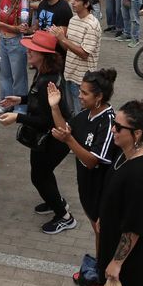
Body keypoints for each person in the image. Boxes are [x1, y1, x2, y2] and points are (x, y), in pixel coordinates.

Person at [0, 30, 76, 235]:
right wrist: (20, 100)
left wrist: (17, 117)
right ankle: (54, 201)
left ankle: (64, 217)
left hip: (53, 140)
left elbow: (44, 121)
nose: (28, 52)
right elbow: (38, 102)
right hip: (47, 139)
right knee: (42, 174)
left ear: (44, 55)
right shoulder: (43, 73)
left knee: (39, 177)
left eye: (33, 50)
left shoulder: (47, 80)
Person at [95, 96, 143, 286]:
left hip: (133, 259)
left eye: (118, 126)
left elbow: (134, 226)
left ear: (137, 134)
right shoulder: (124, 154)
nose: (113, 129)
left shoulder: (139, 176)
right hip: (115, 246)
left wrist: (116, 262)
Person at [48, 68, 116, 255]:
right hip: (87, 187)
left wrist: (69, 141)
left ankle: (103, 272)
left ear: (99, 96)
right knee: (97, 231)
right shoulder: (86, 114)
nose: (79, 96)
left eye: (84, 93)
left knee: (103, 233)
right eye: (80, 91)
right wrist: (54, 107)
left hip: (102, 192)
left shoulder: (108, 122)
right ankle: (100, 267)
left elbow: (93, 161)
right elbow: (65, 130)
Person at [53, 0, 102, 117]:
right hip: (69, 73)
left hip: (81, 78)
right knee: (71, 112)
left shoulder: (92, 25)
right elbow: (69, 48)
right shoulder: (73, 20)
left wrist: (63, 38)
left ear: (86, 4)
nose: (72, 3)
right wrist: (58, 38)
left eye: (76, 0)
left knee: (80, 114)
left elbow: (84, 54)